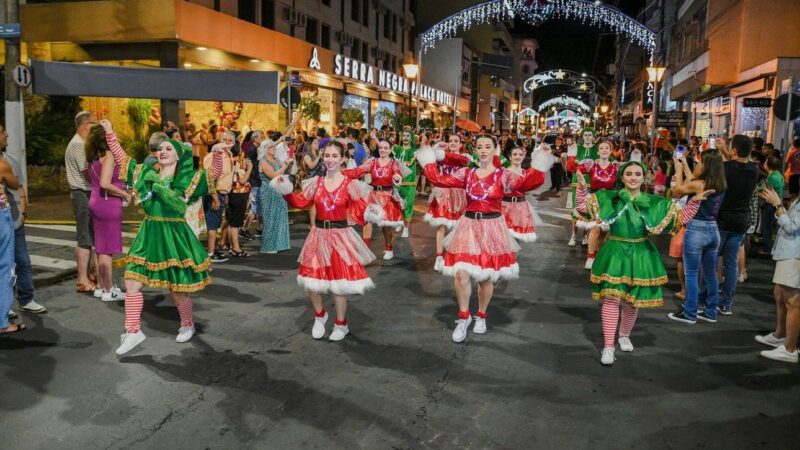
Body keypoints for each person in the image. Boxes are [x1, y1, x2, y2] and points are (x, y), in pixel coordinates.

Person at [418, 134, 553, 342]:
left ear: (494, 149)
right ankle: (464, 317)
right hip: (468, 225)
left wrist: (541, 160)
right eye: (479, 146)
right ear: (475, 149)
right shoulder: (466, 173)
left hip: (492, 228)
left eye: (487, 146)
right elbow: (438, 179)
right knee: (461, 275)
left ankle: (481, 314)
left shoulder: (503, 175)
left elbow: (527, 183)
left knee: (485, 279)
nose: (483, 150)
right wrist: (428, 160)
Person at [100, 120, 218, 355]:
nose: (163, 152)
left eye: (169, 149)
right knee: (132, 281)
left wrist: (217, 154)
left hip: (174, 235)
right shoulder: (145, 173)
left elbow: (204, 181)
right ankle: (133, 331)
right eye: (161, 148)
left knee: (177, 289)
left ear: (178, 156)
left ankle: (187, 323)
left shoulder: (186, 180)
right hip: (150, 233)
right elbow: (123, 160)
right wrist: (110, 133)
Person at [577, 161, 707, 365]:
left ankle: (624, 335)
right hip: (615, 253)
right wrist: (582, 189)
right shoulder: (609, 197)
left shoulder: (654, 201)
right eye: (628, 173)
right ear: (622, 177)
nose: (633, 177)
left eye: (638, 174)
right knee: (611, 299)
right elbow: (583, 207)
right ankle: (608, 346)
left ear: (644, 177)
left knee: (631, 300)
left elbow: (681, 219)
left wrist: (696, 201)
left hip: (640, 254)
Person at [270, 141, 373, 341]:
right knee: (311, 281)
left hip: (340, 237)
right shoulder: (315, 182)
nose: (330, 160)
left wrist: (372, 212)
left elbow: (361, 212)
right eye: (327, 155)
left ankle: (341, 324)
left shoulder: (350, 185)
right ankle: (320, 315)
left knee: (338, 284)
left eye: (335, 156)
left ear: (343, 159)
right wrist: (286, 191)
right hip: (318, 235)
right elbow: (301, 202)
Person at [668, 150, 728, 324]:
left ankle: (690, 312)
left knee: (692, 274)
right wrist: (686, 165)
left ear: (707, 165)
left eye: (701, 162)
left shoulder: (700, 185)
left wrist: (678, 168)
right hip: (713, 229)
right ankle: (710, 311)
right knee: (710, 273)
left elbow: (678, 190)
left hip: (696, 230)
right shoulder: (721, 183)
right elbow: (693, 181)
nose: (698, 164)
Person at [0, 125, 44, 316]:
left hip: (13, 219)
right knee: (4, 265)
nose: (6, 134)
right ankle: (5, 306)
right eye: (2, 131)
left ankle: (26, 299)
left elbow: (18, 187)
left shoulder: (10, 162)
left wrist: (24, 212)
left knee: (22, 261)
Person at [714, 135, 760, 315]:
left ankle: (708, 299)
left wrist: (722, 151)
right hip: (741, 222)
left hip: (722, 220)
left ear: (733, 150)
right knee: (731, 263)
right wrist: (726, 150)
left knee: (711, 260)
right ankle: (727, 303)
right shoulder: (754, 170)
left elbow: (730, 165)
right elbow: (739, 163)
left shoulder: (725, 168)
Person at [85, 124, 130, 302]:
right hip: (107, 204)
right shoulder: (109, 155)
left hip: (95, 201)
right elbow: (105, 183)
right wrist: (124, 193)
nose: (115, 135)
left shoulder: (93, 156)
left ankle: (100, 287)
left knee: (100, 247)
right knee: (107, 250)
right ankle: (109, 289)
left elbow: (96, 180)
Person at [755, 186, 800, 363]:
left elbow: (791, 226)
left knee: (793, 303)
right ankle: (780, 335)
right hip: (787, 252)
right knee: (779, 294)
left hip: (794, 254)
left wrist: (777, 204)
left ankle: (790, 349)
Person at [343, 140, 405, 260]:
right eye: (381, 147)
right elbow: (357, 171)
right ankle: (365, 249)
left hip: (387, 196)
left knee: (385, 225)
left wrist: (397, 178)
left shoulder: (394, 164)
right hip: (374, 195)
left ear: (390, 150)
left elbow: (398, 175)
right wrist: (340, 172)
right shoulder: (372, 162)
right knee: (367, 222)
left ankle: (389, 247)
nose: (382, 150)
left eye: (386, 148)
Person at [423, 134, 468, 269]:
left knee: (459, 227)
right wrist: (436, 147)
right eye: (450, 140)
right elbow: (428, 158)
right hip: (444, 194)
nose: (453, 143)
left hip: (460, 195)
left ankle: (455, 255)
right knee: (441, 225)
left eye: (456, 141)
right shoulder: (442, 157)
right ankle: (438, 257)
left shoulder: (465, 158)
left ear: (461, 144)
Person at [66, 110, 98, 294]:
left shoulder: (81, 143)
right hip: (82, 193)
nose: (94, 127)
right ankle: (82, 279)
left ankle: (88, 274)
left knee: (89, 235)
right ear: (86, 125)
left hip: (85, 192)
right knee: (84, 237)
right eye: (93, 123)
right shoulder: (78, 144)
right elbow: (86, 170)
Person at [573, 139, 618, 269]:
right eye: (602, 148)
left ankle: (598, 255)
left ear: (610, 151)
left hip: (609, 201)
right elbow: (575, 168)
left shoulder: (615, 167)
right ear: (598, 152)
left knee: (604, 232)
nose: (604, 150)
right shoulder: (592, 165)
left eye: (607, 148)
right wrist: (581, 181)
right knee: (596, 228)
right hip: (595, 199)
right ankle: (590, 257)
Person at [203, 130, 234, 263]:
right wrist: (215, 197)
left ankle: (213, 249)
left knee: (216, 223)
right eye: (224, 140)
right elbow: (209, 178)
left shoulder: (228, 155)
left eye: (230, 140)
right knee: (212, 224)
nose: (227, 143)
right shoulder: (214, 155)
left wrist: (225, 195)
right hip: (214, 194)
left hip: (222, 193)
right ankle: (210, 252)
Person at [0, 150, 22, 334]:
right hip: (1, 217)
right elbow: (14, 184)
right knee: (5, 267)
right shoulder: (2, 165)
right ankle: (2, 322)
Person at [565, 128, 599, 247]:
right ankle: (573, 235)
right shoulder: (577, 148)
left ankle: (585, 236)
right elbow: (569, 165)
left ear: (593, 137)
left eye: (590, 135)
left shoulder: (597, 149)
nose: (588, 137)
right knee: (576, 209)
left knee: (588, 210)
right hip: (578, 182)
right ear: (582, 137)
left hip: (591, 182)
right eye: (586, 135)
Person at [259, 139, 292, 254]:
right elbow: (272, 175)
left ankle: (280, 244)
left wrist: (289, 164)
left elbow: (287, 170)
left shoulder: (277, 159)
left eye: (274, 147)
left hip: (279, 190)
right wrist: (284, 167)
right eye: (271, 147)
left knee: (280, 216)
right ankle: (268, 246)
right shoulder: (263, 162)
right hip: (269, 192)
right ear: (265, 149)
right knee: (270, 217)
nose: (274, 148)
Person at [501, 147, 541, 243]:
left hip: (520, 207)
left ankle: (514, 258)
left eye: (520, 154)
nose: (517, 157)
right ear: (510, 157)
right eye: (514, 154)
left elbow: (537, 179)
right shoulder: (503, 172)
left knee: (516, 239)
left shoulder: (526, 174)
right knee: (504, 239)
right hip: (504, 207)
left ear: (523, 157)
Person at [227, 140, 252, 257]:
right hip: (238, 193)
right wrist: (250, 168)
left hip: (232, 193)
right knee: (236, 222)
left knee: (232, 221)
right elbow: (242, 180)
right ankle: (236, 248)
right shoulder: (237, 163)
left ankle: (232, 247)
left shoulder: (229, 161)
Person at [758, 155, 786, 255]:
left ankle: (767, 249)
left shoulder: (771, 178)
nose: (764, 164)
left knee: (766, 227)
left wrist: (757, 192)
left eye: (765, 162)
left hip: (769, 205)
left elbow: (763, 192)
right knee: (771, 227)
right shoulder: (778, 174)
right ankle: (770, 247)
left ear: (768, 166)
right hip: (776, 205)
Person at [393, 130, 418, 238]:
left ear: (411, 138)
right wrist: (375, 138)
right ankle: (399, 221)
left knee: (408, 205)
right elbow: (385, 146)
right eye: (404, 135)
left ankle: (406, 228)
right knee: (397, 203)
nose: (406, 137)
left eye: (408, 136)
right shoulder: (397, 149)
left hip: (410, 182)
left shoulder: (414, 151)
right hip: (398, 181)